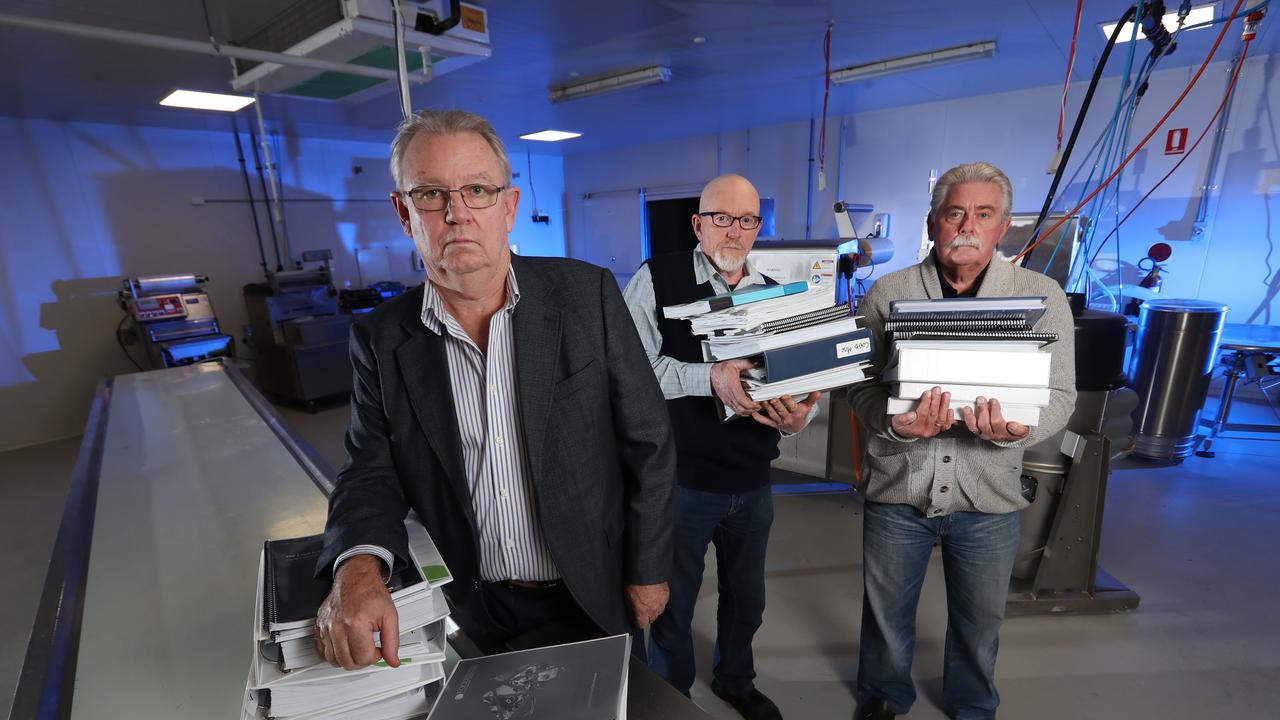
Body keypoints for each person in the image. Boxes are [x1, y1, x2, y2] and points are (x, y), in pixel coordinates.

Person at [313, 108, 677, 668]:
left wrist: (649, 570)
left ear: (508, 207)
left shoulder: (588, 297)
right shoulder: (381, 338)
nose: (456, 213)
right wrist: (356, 565)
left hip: (592, 589)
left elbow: (649, 441)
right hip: (471, 605)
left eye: (477, 190)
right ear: (403, 212)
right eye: (431, 194)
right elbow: (370, 468)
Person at [847, 162, 1076, 720]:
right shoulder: (888, 292)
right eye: (954, 213)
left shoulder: (1042, 297)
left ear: (1002, 228)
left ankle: (973, 705)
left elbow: (1061, 396)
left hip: (988, 493)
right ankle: (883, 695)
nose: (966, 225)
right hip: (900, 485)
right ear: (934, 223)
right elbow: (858, 385)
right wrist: (892, 422)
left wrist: (1021, 431)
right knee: (886, 613)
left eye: (983, 214)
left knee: (980, 619)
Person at [623, 174, 820, 720]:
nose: (734, 231)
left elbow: (797, 378)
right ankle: (674, 697)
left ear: (759, 225)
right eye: (721, 218)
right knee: (672, 604)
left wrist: (800, 415)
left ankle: (736, 680)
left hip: (753, 480)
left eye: (747, 220)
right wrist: (709, 378)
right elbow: (632, 373)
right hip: (680, 480)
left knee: (746, 601)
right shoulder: (656, 279)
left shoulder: (777, 290)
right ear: (698, 223)